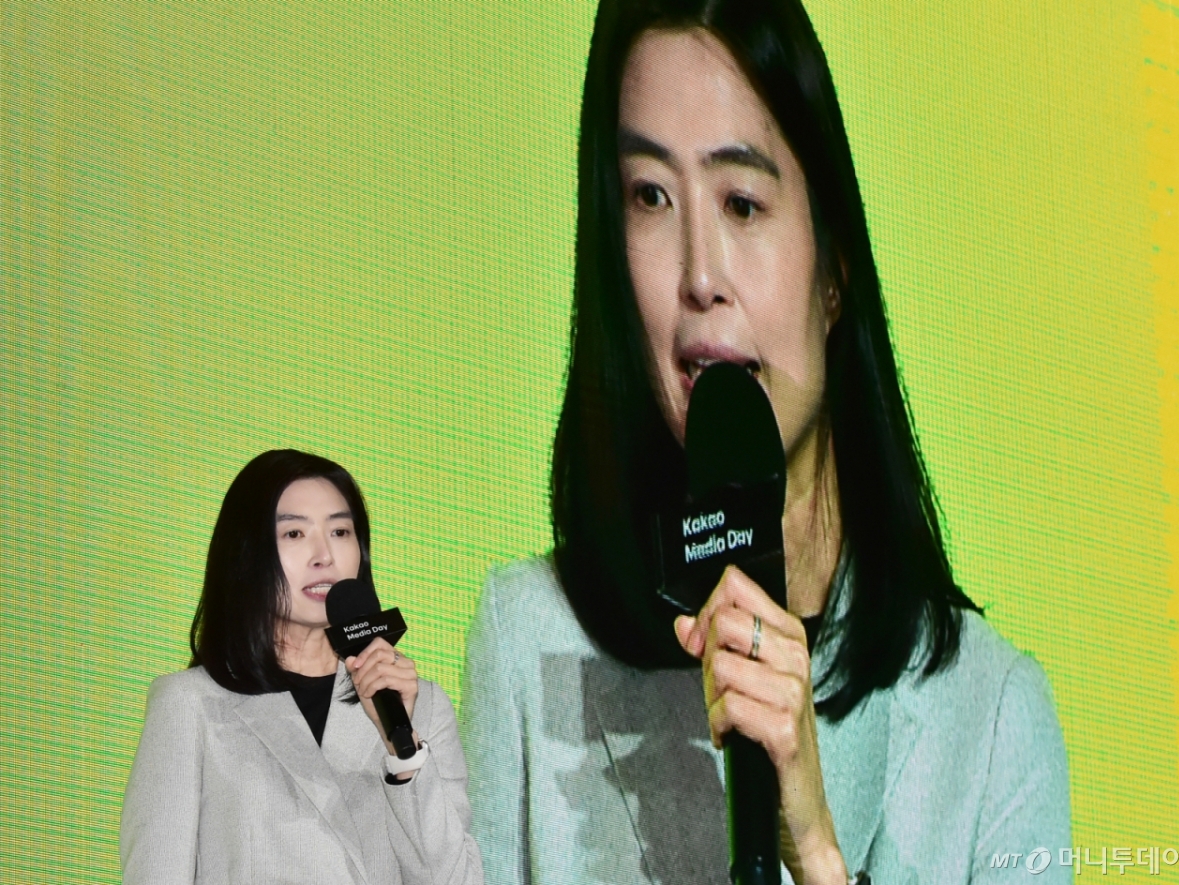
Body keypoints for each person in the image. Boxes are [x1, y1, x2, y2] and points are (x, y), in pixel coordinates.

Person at [461, 1, 1069, 884]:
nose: (700, 275)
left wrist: (815, 851)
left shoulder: (991, 718)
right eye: (650, 197)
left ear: (834, 267)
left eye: (742, 202)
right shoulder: (528, 643)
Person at [121, 449, 482, 885]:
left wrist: (401, 751)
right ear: (246, 554)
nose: (323, 555)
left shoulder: (421, 705)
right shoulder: (189, 704)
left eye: (340, 531)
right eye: (294, 533)